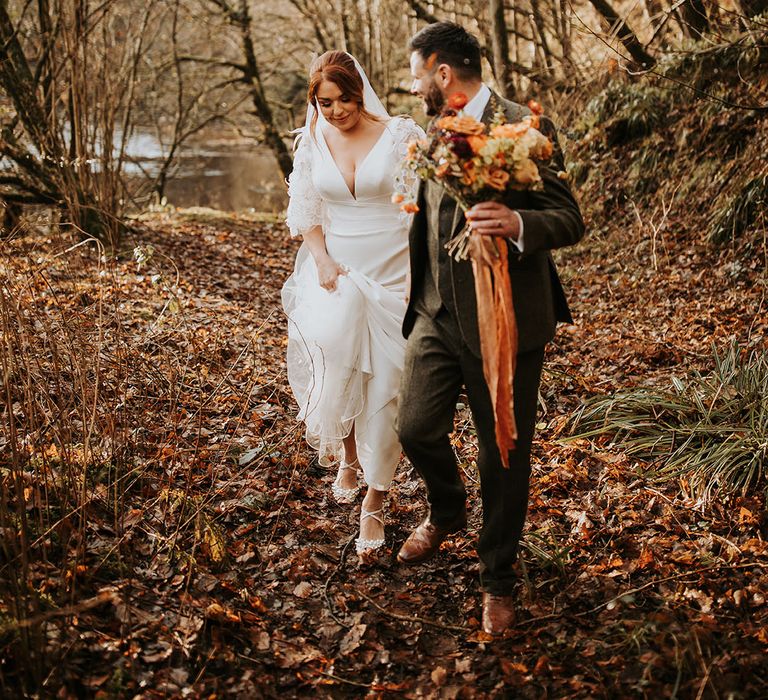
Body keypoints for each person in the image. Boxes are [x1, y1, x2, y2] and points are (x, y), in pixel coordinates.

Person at [396, 22, 585, 635]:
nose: (414, 83)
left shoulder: (523, 126)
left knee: (503, 454)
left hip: (506, 319)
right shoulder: (433, 128)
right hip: (433, 313)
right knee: (416, 428)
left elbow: (567, 216)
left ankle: (497, 578)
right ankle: (448, 505)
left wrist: (516, 223)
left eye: (418, 72)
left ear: (442, 73)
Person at [282, 51, 425, 556]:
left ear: (360, 93)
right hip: (335, 274)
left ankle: (376, 498)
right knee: (339, 371)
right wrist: (319, 259)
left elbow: (423, 211)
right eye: (325, 102)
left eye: (345, 99)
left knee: (388, 386)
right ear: (313, 102)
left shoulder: (401, 135)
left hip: (394, 275)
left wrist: (421, 276)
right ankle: (346, 453)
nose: (337, 110)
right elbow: (307, 211)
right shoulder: (311, 143)